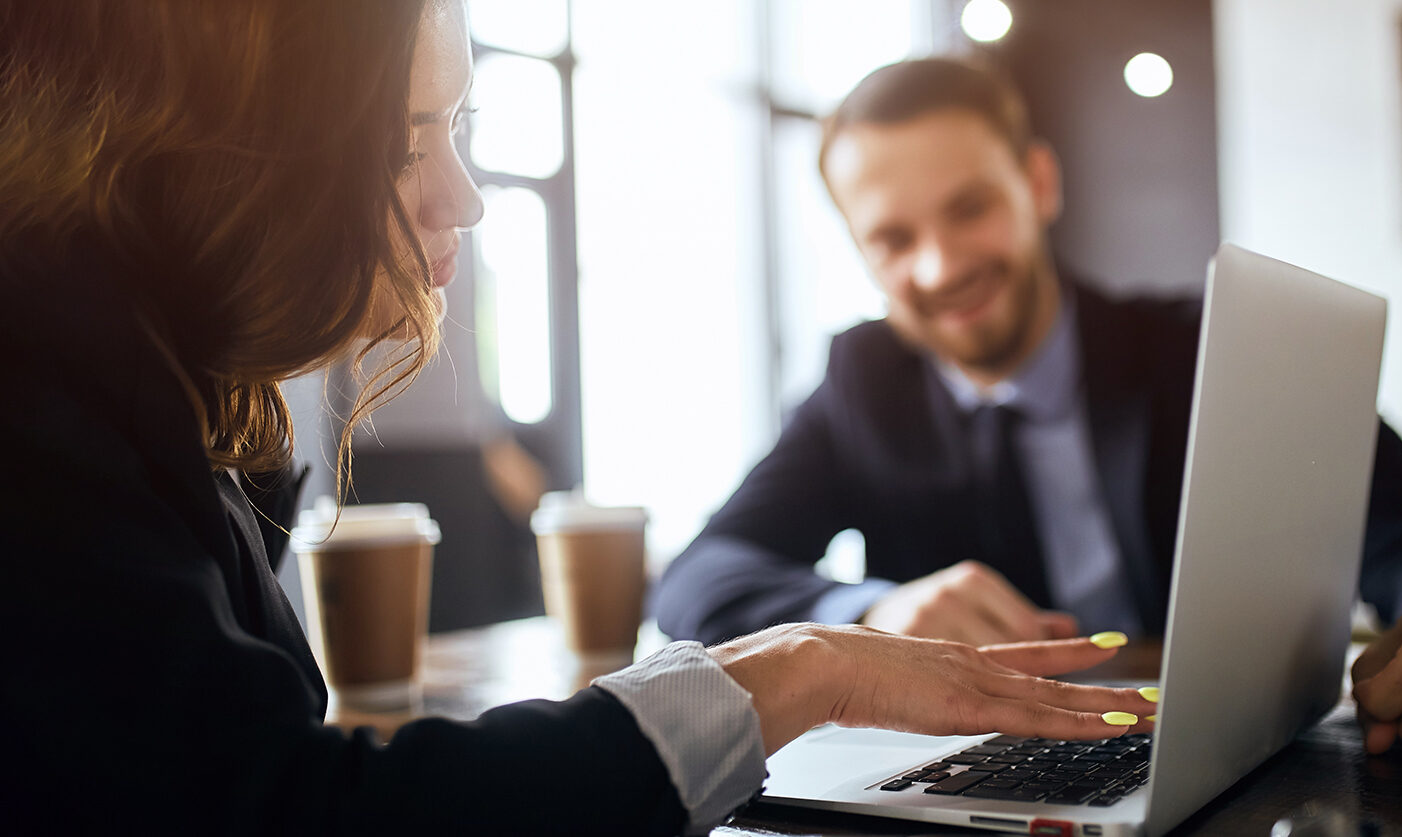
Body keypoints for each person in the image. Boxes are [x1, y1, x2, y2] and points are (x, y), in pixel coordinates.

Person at [0, 5, 1162, 834]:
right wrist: (827, 649)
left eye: (457, 129)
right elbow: (285, 807)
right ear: (234, 146)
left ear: (1041, 186)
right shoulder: (54, 382)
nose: (461, 194)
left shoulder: (168, 390)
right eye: (413, 139)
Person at [654, 57, 1402, 759]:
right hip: (985, 777)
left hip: (1231, 761)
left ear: (1038, 183)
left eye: (970, 208)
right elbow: (703, 573)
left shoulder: (1205, 350)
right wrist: (871, 613)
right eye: (892, 238)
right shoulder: (863, 381)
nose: (938, 266)